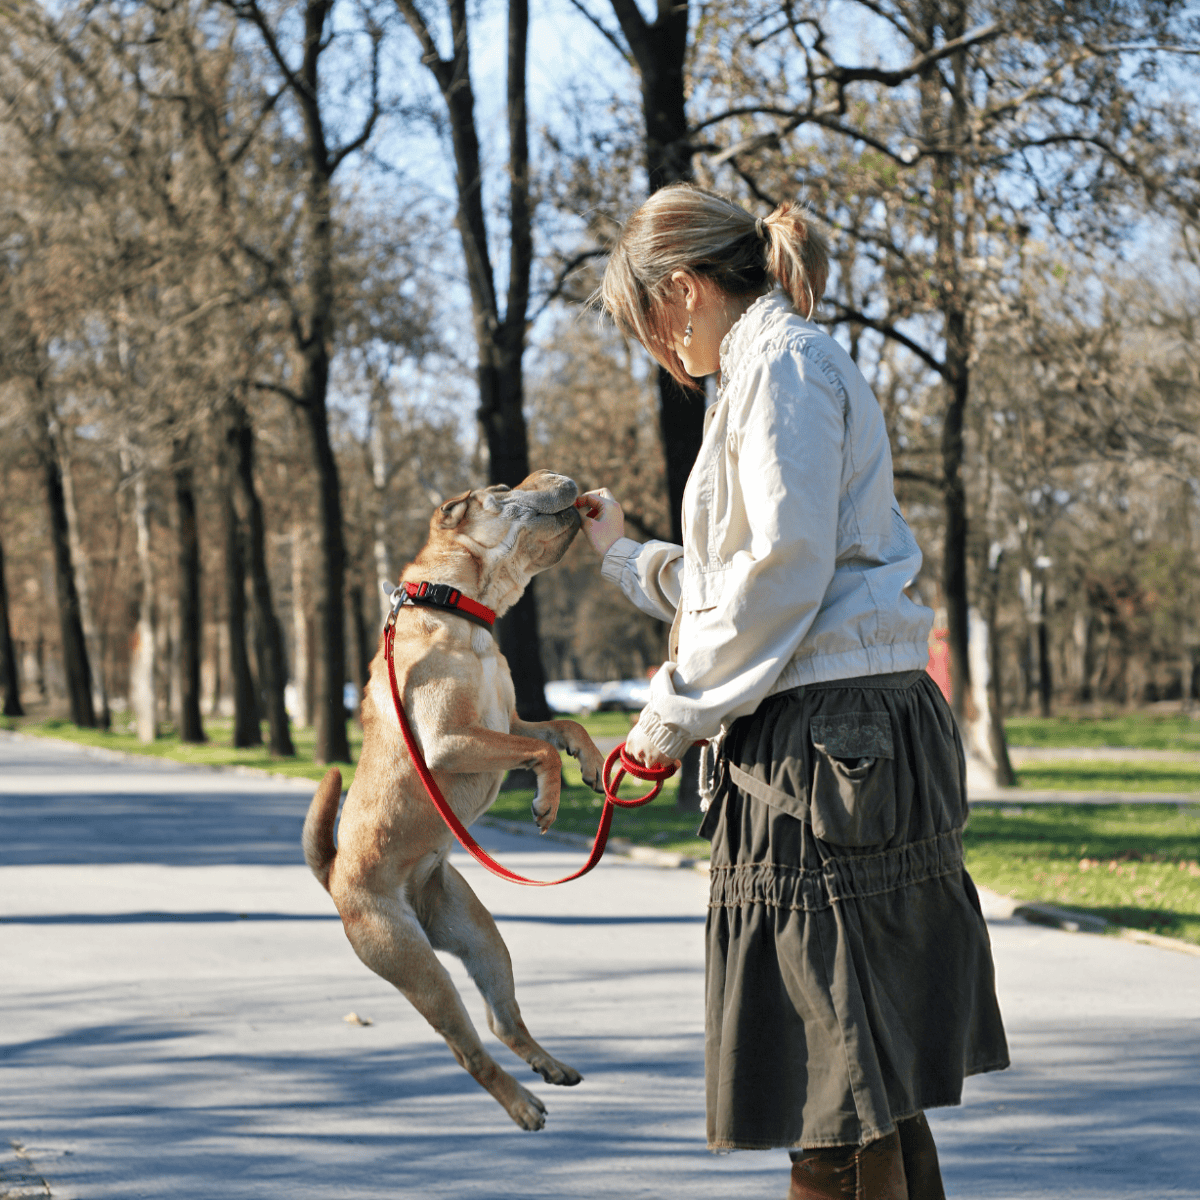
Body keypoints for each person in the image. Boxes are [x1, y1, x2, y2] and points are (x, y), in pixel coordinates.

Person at [574, 183, 1009, 1200]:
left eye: (644, 320)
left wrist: (667, 720)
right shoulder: (763, 373)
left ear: (681, 289)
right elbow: (757, 576)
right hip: (825, 735)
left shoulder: (784, 368)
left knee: (840, 1085)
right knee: (864, 1082)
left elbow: (784, 577)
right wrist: (628, 560)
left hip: (831, 744)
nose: (652, 346)